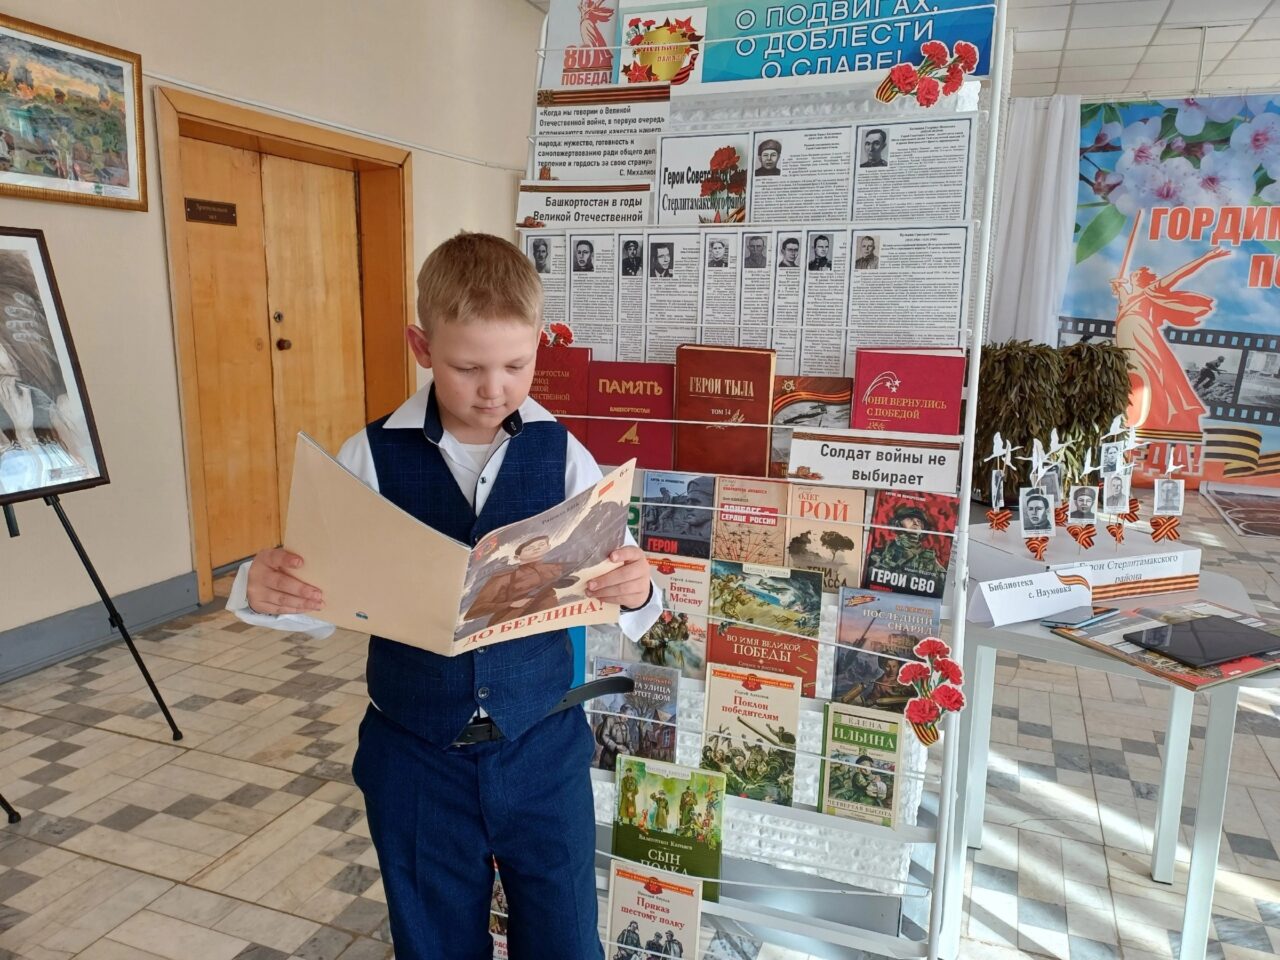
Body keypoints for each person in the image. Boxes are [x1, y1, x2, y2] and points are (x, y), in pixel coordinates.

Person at [229, 232, 660, 960]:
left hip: (542, 750)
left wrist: (638, 586)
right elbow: (323, 596)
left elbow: (624, 577)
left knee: (565, 939)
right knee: (432, 943)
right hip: (415, 759)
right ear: (422, 348)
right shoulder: (370, 456)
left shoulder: (564, 453)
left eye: (516, 365)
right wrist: (264, 587)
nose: (495, 389)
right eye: (468, 368)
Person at [1111, 247, 1230, 440]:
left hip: (1140, 333)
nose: (1133, 277)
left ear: (1142, 279)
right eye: (1133, 275)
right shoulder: (1130, 296)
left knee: (1149, 370)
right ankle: (1132, 415)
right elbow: (1125, 303)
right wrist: (1119, 288)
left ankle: (1158, 415)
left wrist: (1205, 258)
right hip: (1126, 333)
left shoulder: (1152, 290)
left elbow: (1180, 273)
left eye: (1136, 275)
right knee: (1131, 371)